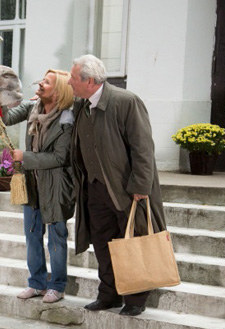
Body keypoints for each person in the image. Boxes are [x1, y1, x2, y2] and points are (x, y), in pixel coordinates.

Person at [67, 54, 167, 316]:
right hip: (95, 189)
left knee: (132, 243)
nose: (69, 82)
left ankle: (135, 299)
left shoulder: (126, 102)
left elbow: (143, 149)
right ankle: (108, 294)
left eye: (73, 77)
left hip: (126, 190)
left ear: (89, 80)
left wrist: (140, 186)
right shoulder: (81, 105)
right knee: (103, 242)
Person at [4, 69, 76, 303]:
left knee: (56, 237)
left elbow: (59, 158)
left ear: (58, 92)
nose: (40, 84)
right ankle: (36, 283)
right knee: (32, 235)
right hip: (32, 184)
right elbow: (5, 117)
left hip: (56, 186)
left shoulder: (67, 119)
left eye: (46, 82)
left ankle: (57, 286)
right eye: (43, 80)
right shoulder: (32, 107)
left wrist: (24, 157)